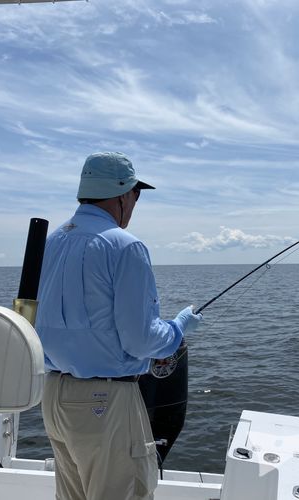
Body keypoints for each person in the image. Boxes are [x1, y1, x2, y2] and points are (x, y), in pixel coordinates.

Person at [35, 152, 202, 500]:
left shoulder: (50, 243)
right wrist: (178, 329)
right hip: (105, 402)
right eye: (137, 194)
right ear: (124, 194)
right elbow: (141, 340)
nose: (135, 202)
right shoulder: (126, 246)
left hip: (53, 396)